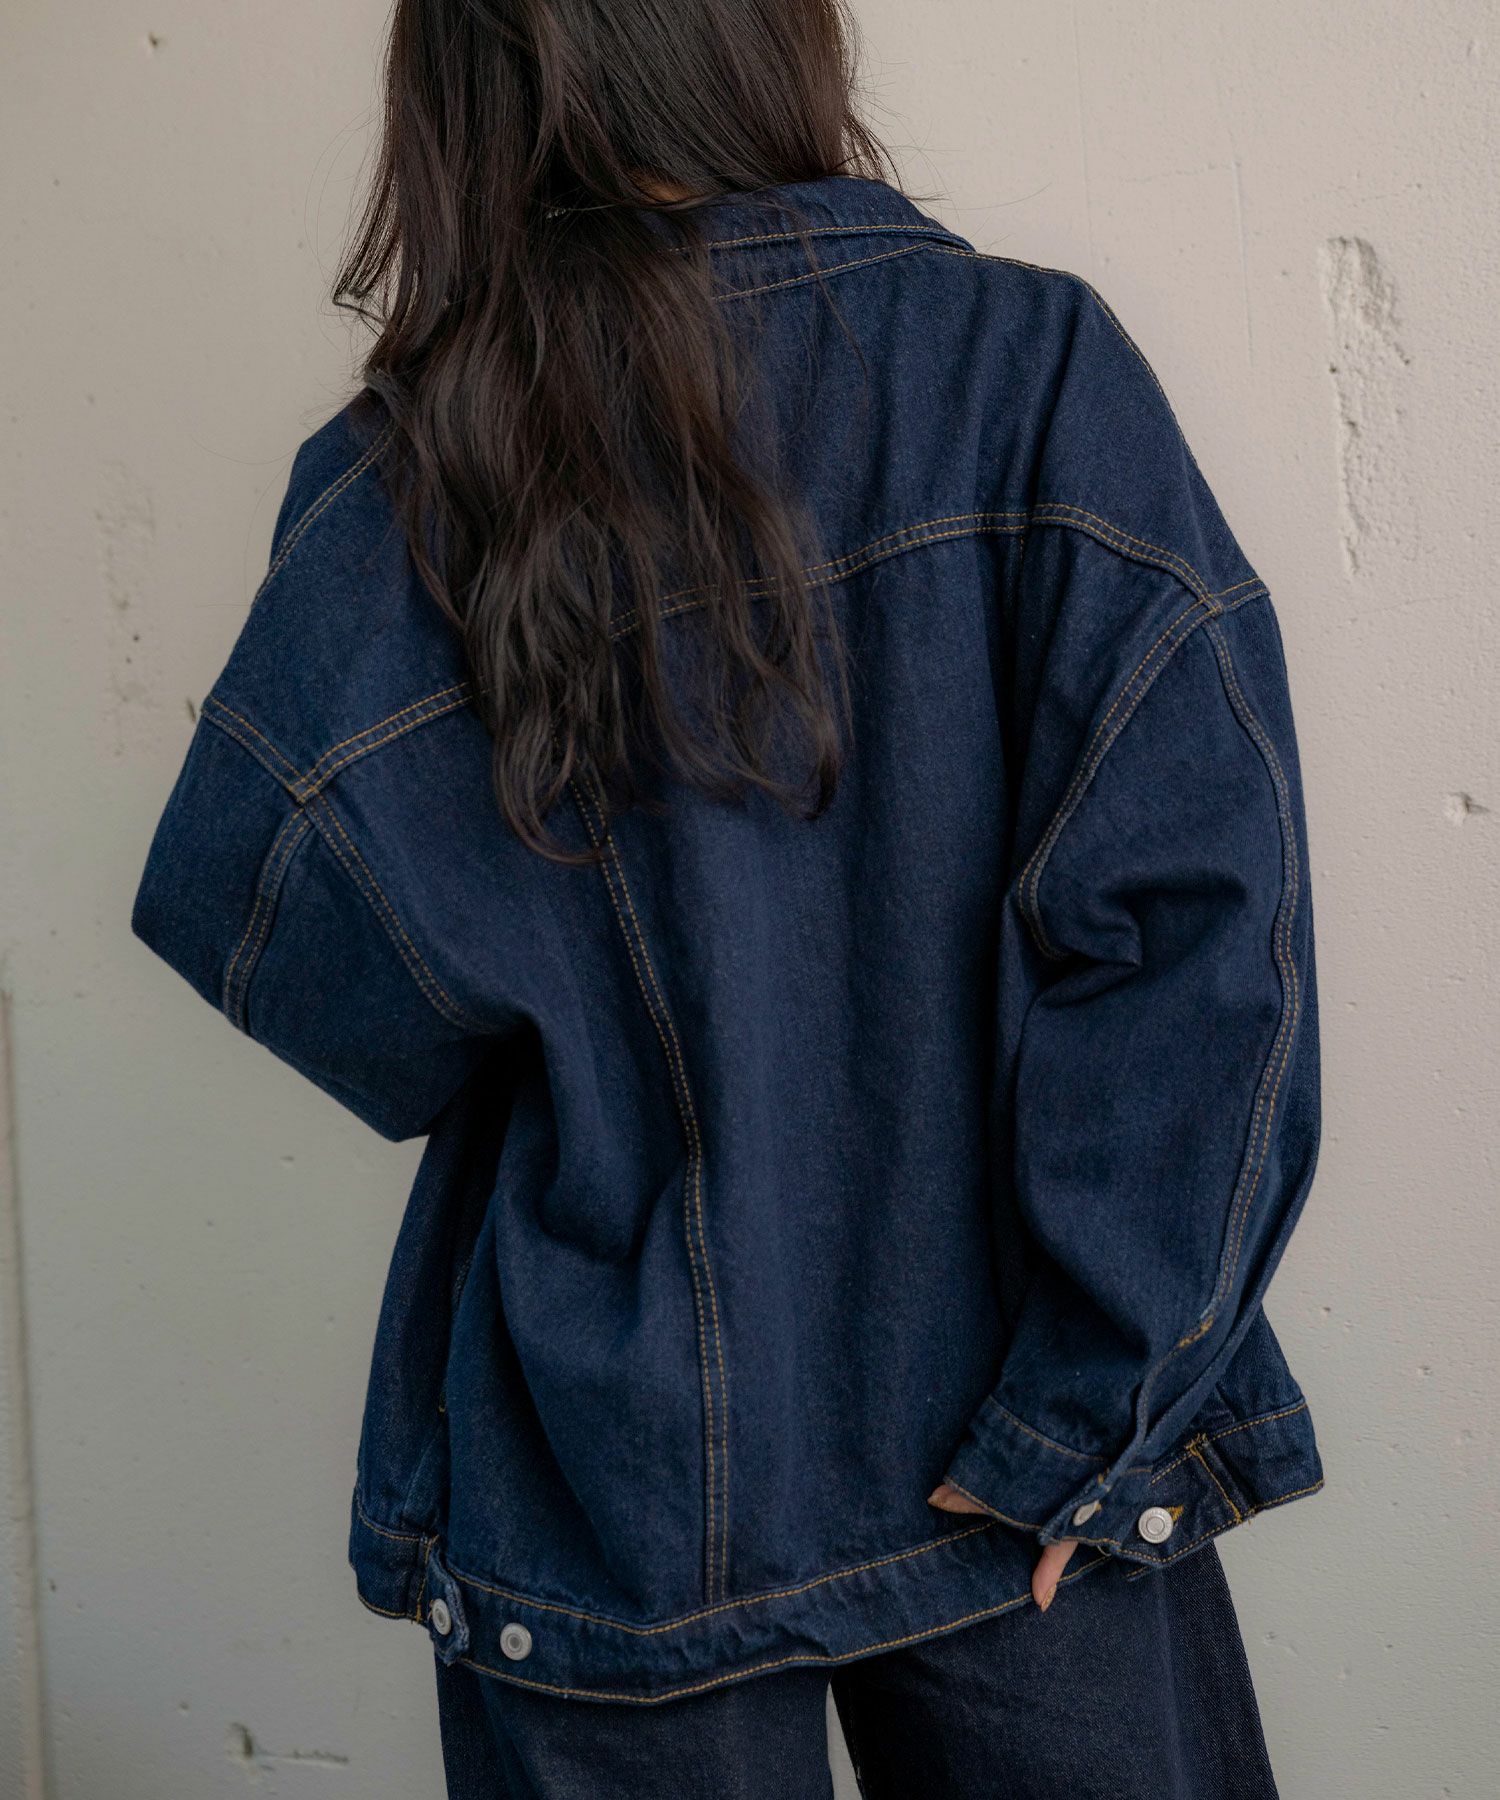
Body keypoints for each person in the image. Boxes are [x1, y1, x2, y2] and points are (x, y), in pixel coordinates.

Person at [129, 2, 1324, 1794]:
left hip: (619, 1473)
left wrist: (572, 965)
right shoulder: (1027, 373)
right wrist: (1095, 1406)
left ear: (466, 90)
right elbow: (1206, 930)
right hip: (1023, 1426)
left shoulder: (414, 480)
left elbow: (286, 927)